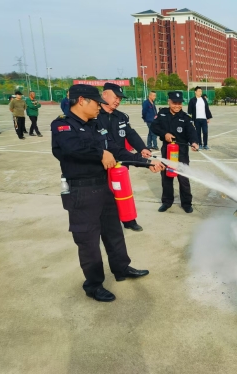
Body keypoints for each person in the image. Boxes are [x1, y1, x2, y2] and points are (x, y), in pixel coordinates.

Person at [51, 84, 164, 302]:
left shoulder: (96, 125)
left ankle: (121, 268)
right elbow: (71, 149)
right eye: (96, 103)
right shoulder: (62, 126)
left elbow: (117, 150)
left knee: (114, 233)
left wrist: (146, 162)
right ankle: (93, 285)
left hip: (103, 187)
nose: (99, 107)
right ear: (81, 100)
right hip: (80, 192)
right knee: (89, 243)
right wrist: (99, 152)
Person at [96, 83, 151, 232]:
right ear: (104, 94)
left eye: (120, 98)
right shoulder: (94, 115)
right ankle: (107, 223)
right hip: (102, 163)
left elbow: (130, 134)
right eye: (116, 97)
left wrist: (142, 148)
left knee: (123, 191)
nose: (118, 101)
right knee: (105, 195)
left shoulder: (120, 117)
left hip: (121, 162)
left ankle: (129, 220)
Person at [151, 91, 199, 214]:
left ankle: (186, 203)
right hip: (167, 150)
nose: (177, 106)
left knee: (183, 178)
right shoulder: (162, 114)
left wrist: (194, 142)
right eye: (174, 103)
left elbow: (191, 132)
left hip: (181, 152)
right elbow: (154, 127)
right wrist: (164, 134)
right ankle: (167, 202)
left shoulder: (185, 117)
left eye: (179, 103)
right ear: (169, 102)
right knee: (167, 177)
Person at [188, 86, 213, 150]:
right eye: (199, 91)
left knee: (205, 132)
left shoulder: (204, 99)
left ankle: (205, 145)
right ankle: (200, 144)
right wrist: (191, 120)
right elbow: (189, 111)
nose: (200, 92)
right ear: (195, 92)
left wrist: (208, 117)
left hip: (204, 119)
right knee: (198, 132)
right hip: (196, 119)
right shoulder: (192, 100)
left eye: (201, 91)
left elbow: (207, 109)